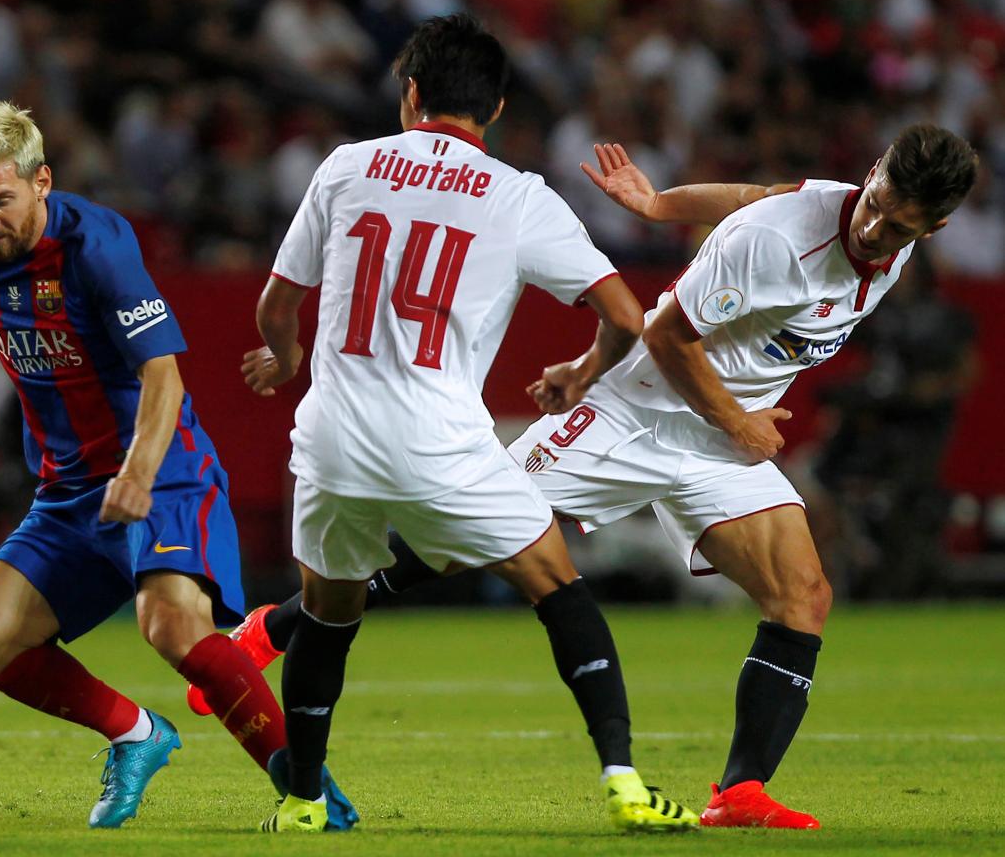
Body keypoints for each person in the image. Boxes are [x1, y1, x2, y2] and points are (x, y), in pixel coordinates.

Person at [221, 125, 979, 831]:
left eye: (900, 227)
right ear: (871, 174)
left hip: (716, 445)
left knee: (804, 597)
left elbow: (759, 191)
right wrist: (738, 420)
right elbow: (668, 333)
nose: (876, 230)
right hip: (636, 415)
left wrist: (659, 205)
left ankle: (740, 791)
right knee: (460, 543)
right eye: (876, 208)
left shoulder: (883, 239)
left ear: (931, 229)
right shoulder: (774, 246)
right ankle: (274, 629)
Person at [242, 14, 697, 833]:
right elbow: (626, 317)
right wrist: (580, 372)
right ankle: (625, 781)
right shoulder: (519, 194)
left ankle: (304, 801)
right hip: (441, 441)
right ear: (494, 107)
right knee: (557, 588)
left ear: (411, 94)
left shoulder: (346, 167)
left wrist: (285, 357)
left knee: (327, 618)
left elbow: (277, 304)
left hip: (335, 436)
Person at [0, 102, 358, 830]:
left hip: (161, 468)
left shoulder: (97, 245)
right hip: (67, 492)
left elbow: (164, 374)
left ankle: (310, 793)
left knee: (170, 628)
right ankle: (136, 734)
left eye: (2, 201)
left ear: (41, 182)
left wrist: (136, 472)